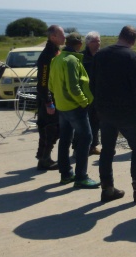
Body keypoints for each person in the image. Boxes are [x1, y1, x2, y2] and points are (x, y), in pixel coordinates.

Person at [91, 25, 136, 203]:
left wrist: (99, 105)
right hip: (127, 111)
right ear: (133, 40)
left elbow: (92, 83)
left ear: (120, 35)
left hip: (105, 111)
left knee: (107, 150)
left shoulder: (101, 55)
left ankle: (107, 188)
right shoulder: (131, 56)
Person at [48, 32, 100, 189]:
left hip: (61, 106)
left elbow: (51, 85)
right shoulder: (71, 60)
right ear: (80, 44)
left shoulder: (56, 59)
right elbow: (73, 87)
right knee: (86, 138)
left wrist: (59, 99)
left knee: (65, 139)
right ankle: (81, 177)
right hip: (74, 106)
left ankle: (66, 174)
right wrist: (84, 102)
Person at [35, 25, 65, 171]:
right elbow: (43, 82)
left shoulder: (56, 52)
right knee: (49, 129)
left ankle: (43, 157)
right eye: (62, 34)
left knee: (55, 128)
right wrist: (48, 102)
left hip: (56, 97)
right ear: (53, 37)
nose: (64, 37)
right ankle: (44, 159)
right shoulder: (47, 55)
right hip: (48, 99)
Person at [82, 31, 102, 156]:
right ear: (88, 43)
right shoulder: (82, 57)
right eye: (95, 41)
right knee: (84, 121)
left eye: (99, 41)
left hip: (98, 94)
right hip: (84, 94)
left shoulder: (102, 55)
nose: (98, 43)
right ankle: (79, 147)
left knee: (96, 121)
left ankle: (93, 145)